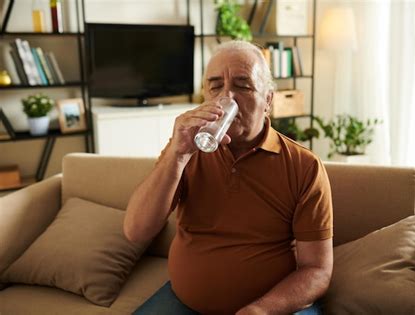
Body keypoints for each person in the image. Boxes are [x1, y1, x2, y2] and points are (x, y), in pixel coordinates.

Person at [124, 40, 334, 315]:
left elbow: (317, 270)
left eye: (242, 85)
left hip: (271, 308)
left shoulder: (303, 166)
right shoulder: (185, 150)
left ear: (268, 99)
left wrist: (261, 309)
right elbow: (135, 231)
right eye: (215, 86)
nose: (227, 98)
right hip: (184, 302)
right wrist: (177, 155)